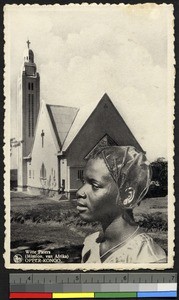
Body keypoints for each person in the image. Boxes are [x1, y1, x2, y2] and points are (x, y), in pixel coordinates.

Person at [76, 146, 167, 263]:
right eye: (84, 182)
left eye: (95, 185)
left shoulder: (146, 258)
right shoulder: (91, 244)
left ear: (127, 196)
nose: (79, 192)